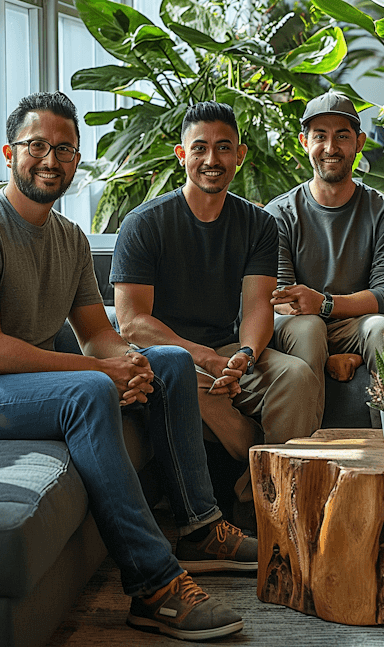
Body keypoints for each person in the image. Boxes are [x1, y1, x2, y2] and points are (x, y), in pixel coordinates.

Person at [0, 91, 253, 642]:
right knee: (87, 393)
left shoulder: (69, 237)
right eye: (37, 146)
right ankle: (153, 587)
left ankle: (200, 528)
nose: (51, 160)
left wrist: (130, 363)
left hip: (22, 383)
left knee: (169, 360)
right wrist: (101, 374)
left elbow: (98, 335)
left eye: (65, 150)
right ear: (9, 153)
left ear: (77, 160)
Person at [111, 101, 321, 492]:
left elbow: (257, 305)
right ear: (181, 155)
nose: (212, 159)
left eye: (224, 147)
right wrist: (202, 357)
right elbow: (132, 322)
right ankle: (257, 473)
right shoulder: (144, 223)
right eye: (200, 148)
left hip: (225, 350)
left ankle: (276, 495)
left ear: (239, 155)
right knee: (185, 380)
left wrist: (244, 356)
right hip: (164, 354)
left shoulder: (258, 224)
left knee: (297, 376)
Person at [264, 92, 384, 404]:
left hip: (355, 324)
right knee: (310, 329)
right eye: (320, 136)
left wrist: (325, 304)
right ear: (304, 142)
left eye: (342, 136)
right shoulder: (280, 214)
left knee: (382, 328)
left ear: (359, 142)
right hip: (297, 326)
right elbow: (282, 298)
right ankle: (310, 446)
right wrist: (316, 311)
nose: (331, 148)